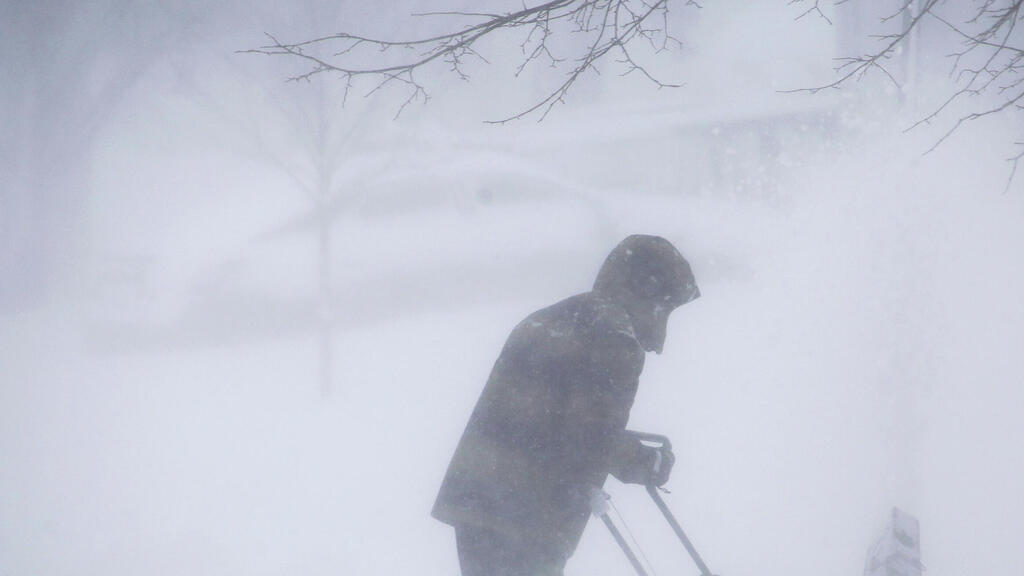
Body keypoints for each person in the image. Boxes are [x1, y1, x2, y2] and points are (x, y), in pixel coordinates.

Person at [432, 234, 700, 576]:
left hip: (477, 503)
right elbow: (589, 437)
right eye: (665, 306)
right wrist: (646, 463)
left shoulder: (549, 318)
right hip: (530, 515)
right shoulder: (614, 338)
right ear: (647, 294)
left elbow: (550, 418)